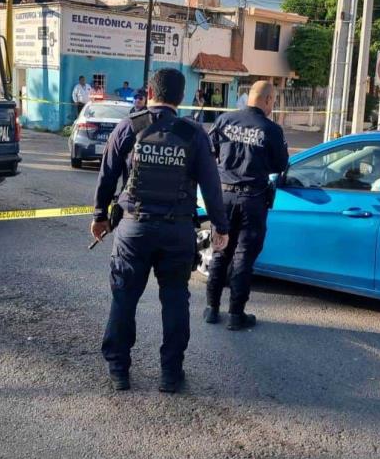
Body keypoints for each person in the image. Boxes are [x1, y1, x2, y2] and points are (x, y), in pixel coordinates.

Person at [92, 68, 229, 394]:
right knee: (175, 301)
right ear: (181, 99)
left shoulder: (129, 127)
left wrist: (99, 216)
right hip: (177, 232)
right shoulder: (194, 133)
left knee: (124, 299)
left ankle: (119, 371)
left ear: (149, 93)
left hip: (133, 230)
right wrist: (221, 227)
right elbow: (212, 187)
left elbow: (107, 176)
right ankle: (170, 374)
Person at [205, 81, 289, 330]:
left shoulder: (224, 120)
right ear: (267, 100)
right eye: (273, 101)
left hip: (224, 197)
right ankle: (235, 314)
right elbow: (280, 165)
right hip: (252, 199)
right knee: (243, 257)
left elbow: (211, 151)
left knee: (220, 251)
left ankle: (211, 309)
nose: (272, 105)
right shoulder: (271, 129)